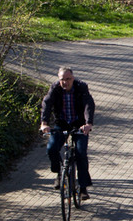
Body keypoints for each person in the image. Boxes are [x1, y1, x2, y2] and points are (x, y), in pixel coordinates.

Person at [40, 66, 95, 200]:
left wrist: (88, 123)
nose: (65, 82)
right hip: (62, 123)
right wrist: (44, 123)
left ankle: (83, 188)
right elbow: (47, 103)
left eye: (68, 79)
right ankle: (59, 173)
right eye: (62, 79)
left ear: (73, 78)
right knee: (51, 148)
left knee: (81, 153)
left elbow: (89, 104)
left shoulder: (81, 87)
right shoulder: (55, 88)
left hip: (79, 124)